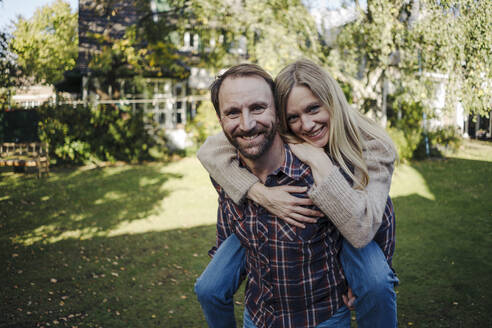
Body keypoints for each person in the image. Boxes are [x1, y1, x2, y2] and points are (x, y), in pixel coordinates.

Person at [195, 60, 398, 328]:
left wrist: (320, 161)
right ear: (282, 118)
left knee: (375, 282)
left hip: (356, 223)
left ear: (332, 101)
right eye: (294, 117)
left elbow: (376, 221)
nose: (307, 124)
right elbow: (211, 152)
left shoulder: (372, 146)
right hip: (264, 276)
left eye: (314, 108)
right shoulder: (259, 130)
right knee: (209, 286)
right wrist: (260, 193)